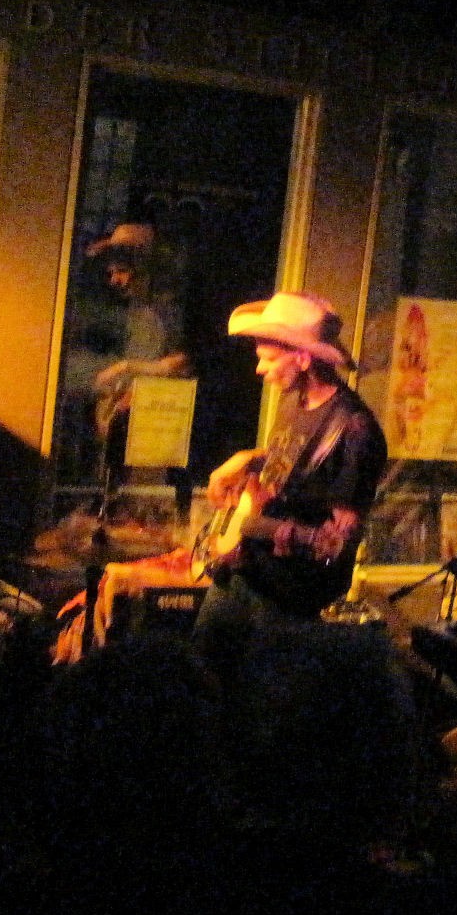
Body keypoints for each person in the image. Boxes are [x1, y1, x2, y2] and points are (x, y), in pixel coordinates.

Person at [194, 293, 385, 680]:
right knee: (200, 682)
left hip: (286, 604)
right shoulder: (294, 402)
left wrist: (264, 530)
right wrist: (249, 460)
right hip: (246, 576)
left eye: (268, 358)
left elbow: (339, 540)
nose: (259, 369)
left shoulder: (355, 430)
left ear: (302, 358)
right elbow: (294, 466)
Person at [85, 221, 190, 488]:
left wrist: (127, 369)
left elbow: (180, 363)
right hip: (128, 418)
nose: (115, 280)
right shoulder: (136, 309)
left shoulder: (169, 310)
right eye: (112, 272)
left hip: (156, 421)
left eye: (122, 270)